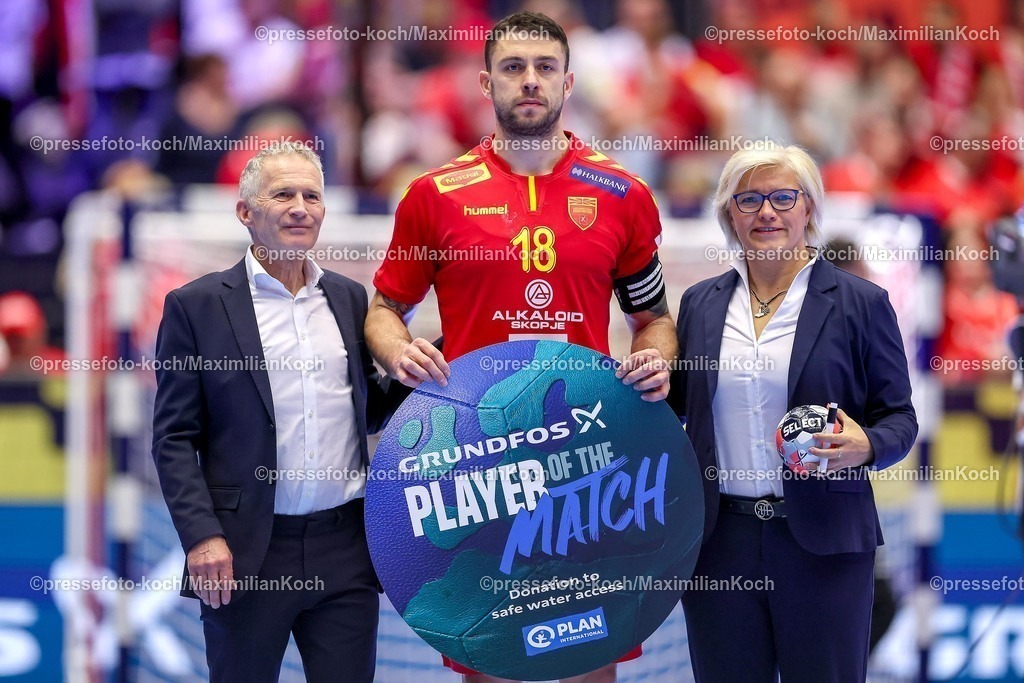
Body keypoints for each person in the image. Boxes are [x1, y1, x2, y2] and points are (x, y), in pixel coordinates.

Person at [364, 11, 676, 683]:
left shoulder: (622, 194)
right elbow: (385, 311)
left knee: (589, 658)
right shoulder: (432, 196)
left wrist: (658, 354)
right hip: (480, 466)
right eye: (512, 68)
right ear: (486, 83)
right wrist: (397, 349)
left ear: (568, 82)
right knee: (495, 663)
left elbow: (653, 318)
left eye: (542, 69)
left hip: (587, 464)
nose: (528, 81)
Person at [151, 142, 402, 683]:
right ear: (246, 212)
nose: (300, 207)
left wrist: (422, 362)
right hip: (243, 554)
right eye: (283, 194)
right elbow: (173, 437)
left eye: (312, 195)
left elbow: (371, 411)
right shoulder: (196, 307)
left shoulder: (350, 299)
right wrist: (201, 535)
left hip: (345, 551)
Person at [670, 144, 918, 682]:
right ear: (729, 214)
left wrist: (867, 445)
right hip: (720, 543)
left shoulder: (861, 304)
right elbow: (676, 405)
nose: (767, 212)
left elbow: (900, 418)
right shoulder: (699, 305)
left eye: (784, 197)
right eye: (750, 199)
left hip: (825, 541)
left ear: (809, 209)